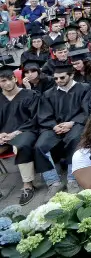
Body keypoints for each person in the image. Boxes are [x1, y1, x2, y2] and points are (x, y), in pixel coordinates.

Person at [34, 64, 89, 194]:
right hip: (54, 127)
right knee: (40, 146)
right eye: (56, 78)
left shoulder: (85, 89)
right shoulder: (48, 94)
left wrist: (71, 123)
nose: (58, 81)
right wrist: (54, 125)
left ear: (71, 75)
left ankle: (72, 179)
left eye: (62, 77)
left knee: (74, 139)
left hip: (76, 124)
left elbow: (87, 110)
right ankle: (53, 182)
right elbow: (44, 114)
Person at [0, 63, 40, 205]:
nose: (8, 83)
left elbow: (35, 118)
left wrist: (15, 133)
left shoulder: (30, 95)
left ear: (15, 78)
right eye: (3, 81)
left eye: (10, 79)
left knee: (21, 145)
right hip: (3, 137)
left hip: (25, 131)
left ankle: (28, 186)